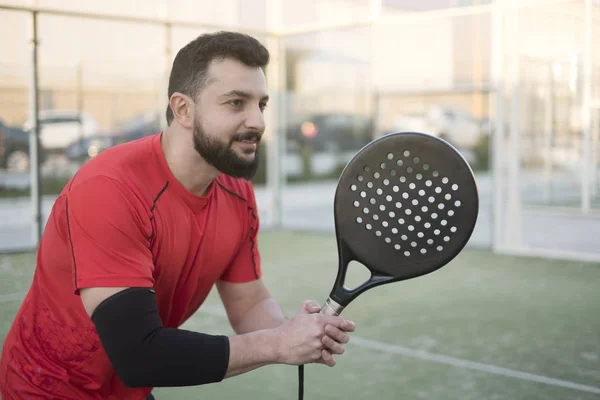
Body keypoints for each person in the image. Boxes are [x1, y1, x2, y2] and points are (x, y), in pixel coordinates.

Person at [0, 31, 356, 400]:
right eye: (236, 103)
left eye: (261, 104)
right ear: (183, 109)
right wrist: (277, 344)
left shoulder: (236, 192)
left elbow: (249, 302)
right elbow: (139, 355)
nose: (258, 122)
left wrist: (294, 332)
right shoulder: (109, 188)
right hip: (43, 390)